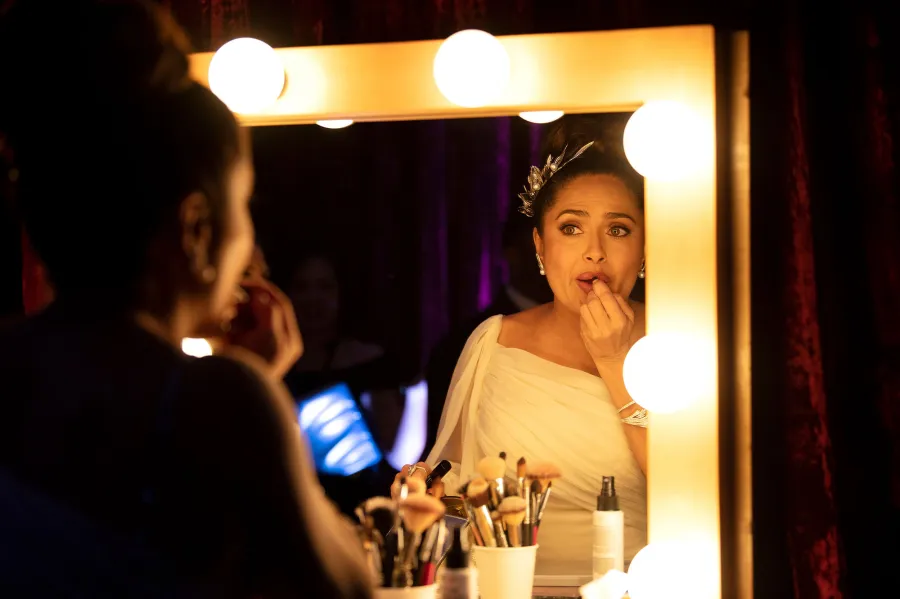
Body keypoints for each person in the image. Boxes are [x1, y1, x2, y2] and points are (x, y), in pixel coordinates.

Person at [0, 2, 370, 598]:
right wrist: (262, 385)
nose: (249, 236)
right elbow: (345, 589)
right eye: (243, 204)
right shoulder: (215, 400)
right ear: (196, 229)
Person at [396, 121, 649, 577]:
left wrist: (614, 362)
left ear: (645, 247)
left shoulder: (681, 343)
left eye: (617, 229)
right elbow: (458, 495)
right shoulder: (495, 342)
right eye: (571, 228)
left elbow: (700, 492)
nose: (594, 251)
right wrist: (428, 497)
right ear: (539, 246)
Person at [423, 205, 553, 455]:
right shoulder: (464, 343)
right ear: (512, 254)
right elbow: (446, 447)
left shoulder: (602, 333)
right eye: (538, 245)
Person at [288, 249, 384, 373]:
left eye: (325, 286)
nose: (313, 297)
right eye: (301, 287)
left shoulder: (369, 360)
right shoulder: (270, 364)